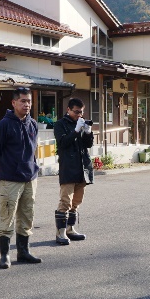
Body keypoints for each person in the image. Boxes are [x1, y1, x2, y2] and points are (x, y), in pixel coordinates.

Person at [0, 87, 42, 268]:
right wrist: (9, 166)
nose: (27, 105)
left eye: (28, 101)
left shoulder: (33, 124)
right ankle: (5, 255)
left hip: (30, 178)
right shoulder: (4, 125)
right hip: (10, 179)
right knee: (7, 217)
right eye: (23, 101)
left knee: (27, 216)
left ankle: (23, 252)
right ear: (14, 103)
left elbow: (33, 149)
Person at [54, 97, 94, 245]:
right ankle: (61, 232)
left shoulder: (82, 122)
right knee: (65, 201)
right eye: (76, 112)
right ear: (68, 110)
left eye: (81, 112)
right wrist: (76, 130)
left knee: (76, 202)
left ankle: (71, 229)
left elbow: (88, 145)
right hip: (68, 167)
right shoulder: (60, 124)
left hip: (82, 167)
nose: (79, 115)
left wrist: (88, 132)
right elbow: (63, 143)